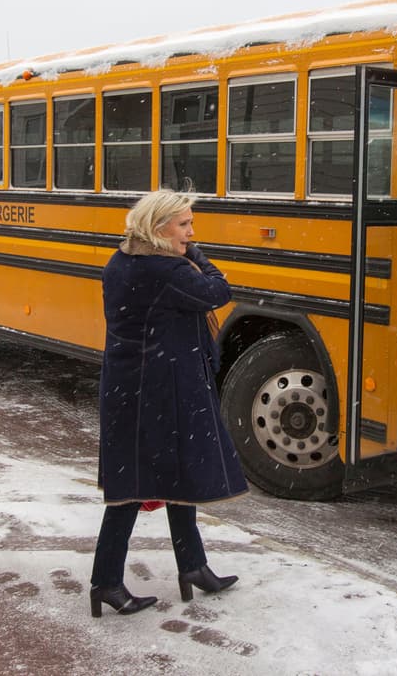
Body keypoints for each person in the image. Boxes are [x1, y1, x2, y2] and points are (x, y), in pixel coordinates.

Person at [90, 189, 248, 617]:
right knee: (133, 488)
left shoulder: (123, 260)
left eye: (191, 226)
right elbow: (218, 290)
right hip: (157, 389)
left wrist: (186, 250)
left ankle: (192, 566)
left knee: (171, 474)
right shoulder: (167, 270)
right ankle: (105, 582)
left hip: (137, 386)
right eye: (184, 226)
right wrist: (196, 253)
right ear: (159, 228)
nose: (191, 233)